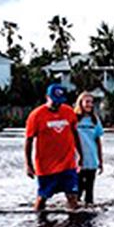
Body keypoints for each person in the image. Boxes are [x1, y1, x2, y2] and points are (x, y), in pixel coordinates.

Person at [24, 83, 82, 212]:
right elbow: (29, 140)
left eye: (60, 102)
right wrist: (28, 164)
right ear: (47, 97)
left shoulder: (68, 112)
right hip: (46, 166)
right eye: (54, 101)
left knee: (73, 197)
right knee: (43, 197)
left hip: (68, 163)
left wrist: (80, 155)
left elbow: (75, 133)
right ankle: (38, 220)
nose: (57, 105)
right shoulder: (36, 115)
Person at [74, 90, 105, 205]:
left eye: (91, 102)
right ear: (80, 103)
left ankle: (90, 218)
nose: (90, 105)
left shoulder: (94, 120)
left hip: (92, 160)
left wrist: (100, 161)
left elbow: (98, 141)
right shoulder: (74, 118)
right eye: (87, 102)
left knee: (90, 191)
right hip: (77, 160)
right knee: (77, 190)